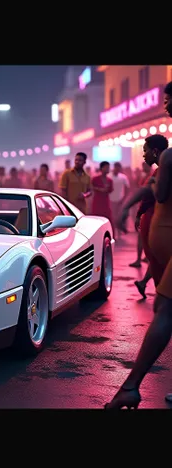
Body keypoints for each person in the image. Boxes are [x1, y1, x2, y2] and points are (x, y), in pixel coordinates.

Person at [105, 82, 172, 409]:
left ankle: (131, 386)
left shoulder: (170, 157)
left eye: (169, 101)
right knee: (165, 309)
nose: (165, 106)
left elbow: (158, 195)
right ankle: (131, 386)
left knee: (165, 310)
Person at [119, 135, 168, 298]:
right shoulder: (159, 169)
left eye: (145, 151)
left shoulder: (163, 166)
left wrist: (129, 209)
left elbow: (153, 194)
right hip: (156, 221)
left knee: (157, 263)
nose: (143, 155)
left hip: (159, 223)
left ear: (155, 151)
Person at [109, 162, 130, 237]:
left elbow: (127, 188)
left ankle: (119, 234)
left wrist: (124, 198)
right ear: (114, 167)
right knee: (112, 217)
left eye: (119, 168)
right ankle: (113, 233)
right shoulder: (109, 176)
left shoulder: (123, 177)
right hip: (110, 200)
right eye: (116, 167)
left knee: (118, 217)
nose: (117, 169)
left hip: (120, 200)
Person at [91, 161, 114, 226]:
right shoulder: (95, 179)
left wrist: (106, 190)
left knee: (108, 219)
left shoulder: (110, 180)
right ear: (101, 168)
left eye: (108, 167)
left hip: (106, 202)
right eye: (106, 167)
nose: (108, 169)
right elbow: (91, 187)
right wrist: (100, 189)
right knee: (97, 219)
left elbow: (111, 190)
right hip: (97, 202)